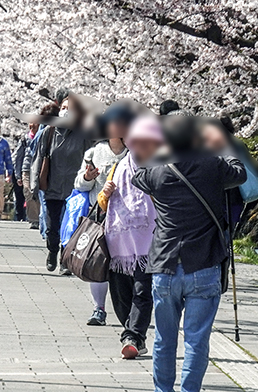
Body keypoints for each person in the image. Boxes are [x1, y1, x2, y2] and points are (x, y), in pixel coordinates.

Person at [134, 112, 247, 392]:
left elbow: (138, 177)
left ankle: (163, 390)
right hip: (204, 263)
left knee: (164, 339)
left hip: (164, 263)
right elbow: (240, 174)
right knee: (196, 340)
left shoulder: (157, 170)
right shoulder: (212, 165)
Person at [100, 115, 161, 359]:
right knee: (121, 293)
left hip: (148, 241)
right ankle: (133, 332)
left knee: (141, 290)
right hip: (119, 242)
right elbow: (103, 205)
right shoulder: (120, 166)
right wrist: (105, 193)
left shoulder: (158, 165)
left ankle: (133, 335)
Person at [77, 103, 135, 324]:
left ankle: (128, 309)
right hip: (100, 216)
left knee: (124, 266)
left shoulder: (135, 153)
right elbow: (79, 184)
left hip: (127, 218)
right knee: (97, 262)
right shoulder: (94, 152)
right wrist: (89, 178)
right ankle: (98, 308)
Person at [34, 95, 94, 271]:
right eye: (64, 107)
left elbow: (91, 158)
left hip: (74, 188)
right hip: (53, 185)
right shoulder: (49, 132)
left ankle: (65, 259)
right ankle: (52, 251)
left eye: (71, 108)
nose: (66, 111)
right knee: (53, 226)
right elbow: (38, 159)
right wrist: (34, 186)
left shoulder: (84, 134)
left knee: (71, 225)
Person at [12, 118, 35, 221]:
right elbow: (18, 157)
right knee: (28, 192)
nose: (33, 126)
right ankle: (33, 218)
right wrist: (18, 175)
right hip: (26, 169)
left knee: (37, 194)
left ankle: (37, 217)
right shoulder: (24, 138)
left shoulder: (43, 137)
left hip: (38, 168)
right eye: (31, 123)